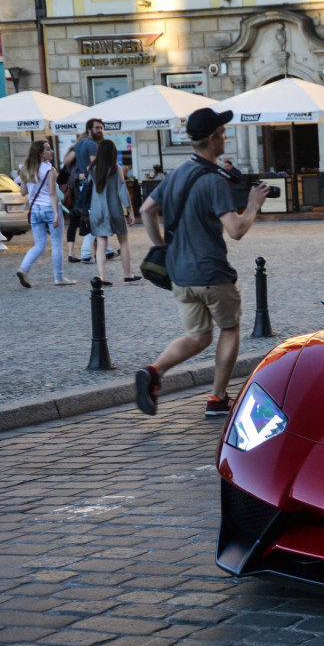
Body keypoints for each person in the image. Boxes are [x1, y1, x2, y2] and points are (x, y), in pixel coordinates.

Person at [134, 107, 271, 418]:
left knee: (199, 335)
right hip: (213, 272)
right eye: (223, 133)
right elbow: (235, 231)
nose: (226, 136)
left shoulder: (177, 174)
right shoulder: (214, 181)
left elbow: (146, 210)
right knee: (230, 327)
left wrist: (163, 247)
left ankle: (155, 371)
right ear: (213, 139)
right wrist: (252, 205)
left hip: (181, 275)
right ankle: (218, 398)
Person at [15, 140, 73, 288]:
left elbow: (23, 192)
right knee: (56, 243)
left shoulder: (26, 169)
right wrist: (56, 214)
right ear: (40, 153)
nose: (51, 151)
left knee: (39, 244)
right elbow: (53, 194)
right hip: (49, 208)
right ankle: (59, 277)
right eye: (48, 149)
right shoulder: (50, 170)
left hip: (35, 210)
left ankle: (23, 268)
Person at [87, 139, 139, 286]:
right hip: (114, 209)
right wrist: (130, 211)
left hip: (97, 210)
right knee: (123, 241)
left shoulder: (92, 168)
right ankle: (128, 274)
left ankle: (103, 277)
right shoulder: (116, 168)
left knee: (101, 243)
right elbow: (123, 191)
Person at [67, 119, 117, 264]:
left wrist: (78, 175)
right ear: (89, 129)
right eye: (97, 128)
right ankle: (86, 253)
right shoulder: (92, 145)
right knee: (95, 219)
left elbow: (67, 162)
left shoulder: (80, 144)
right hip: (91, 186)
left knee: (92, 218)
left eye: (101, 128)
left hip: (82, 186)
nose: (100, 130)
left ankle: (107, 250)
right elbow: (94, 165)